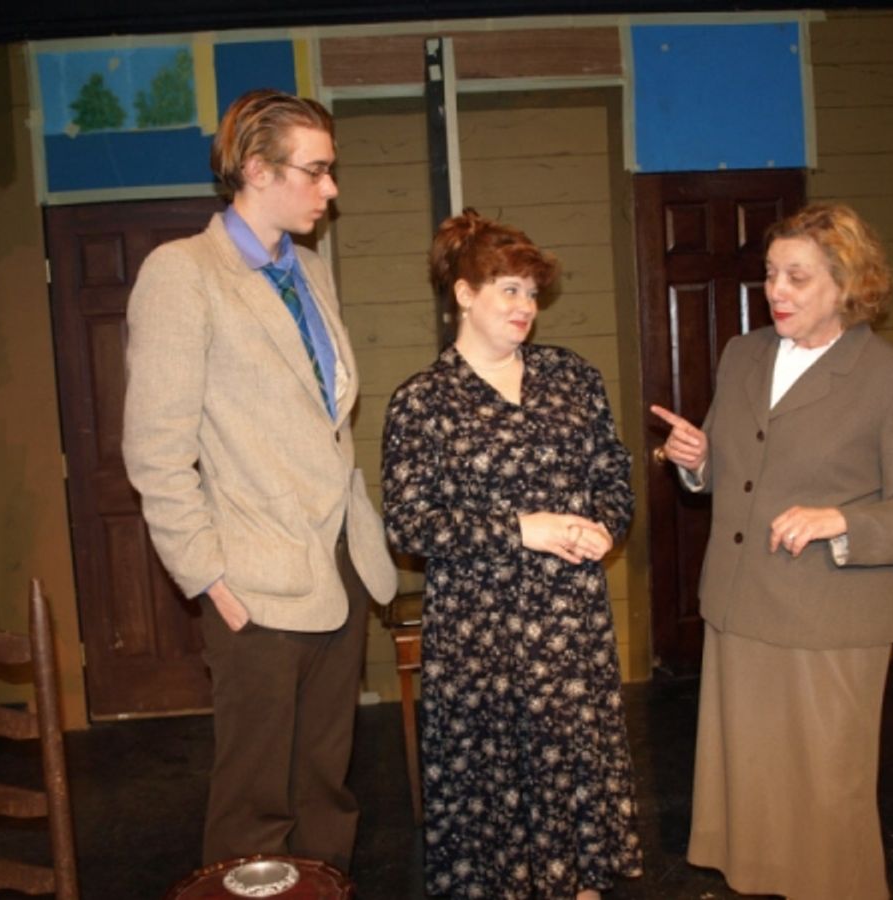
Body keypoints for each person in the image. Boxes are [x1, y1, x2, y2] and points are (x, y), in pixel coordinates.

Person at [122, 88, 396, 870]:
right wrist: (207, 574)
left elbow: (321, 418)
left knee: (324, 784)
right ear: (255, 170)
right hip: (252, 573)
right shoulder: (183, 273)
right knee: (255, 796)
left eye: (330, 171)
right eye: (315, 172)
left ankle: (326, 888)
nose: (330, 189)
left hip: (337, 560)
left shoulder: (310, 269)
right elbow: (155, 450)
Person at [651, 202, 893, 900]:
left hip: (830, 623)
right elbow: (739, 473)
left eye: (797, 277)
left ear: (847, 285)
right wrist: (696, 461)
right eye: (770, 275)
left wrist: (841, 521)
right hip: (741, 609)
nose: (776, 292)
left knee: (825, 805)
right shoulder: (744, 354)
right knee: (754, 794)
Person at [381, 209, 643, 899]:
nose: (525, 306)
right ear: (463, 294)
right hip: (480, 637)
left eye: (531, 291)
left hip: (568, 627)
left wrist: (604, 527)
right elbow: (409, 523)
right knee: (494, 794)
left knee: (571, 774)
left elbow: (612, 475)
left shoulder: (572, 378)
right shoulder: (422, 402)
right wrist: (519, 528)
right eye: (508, 289)